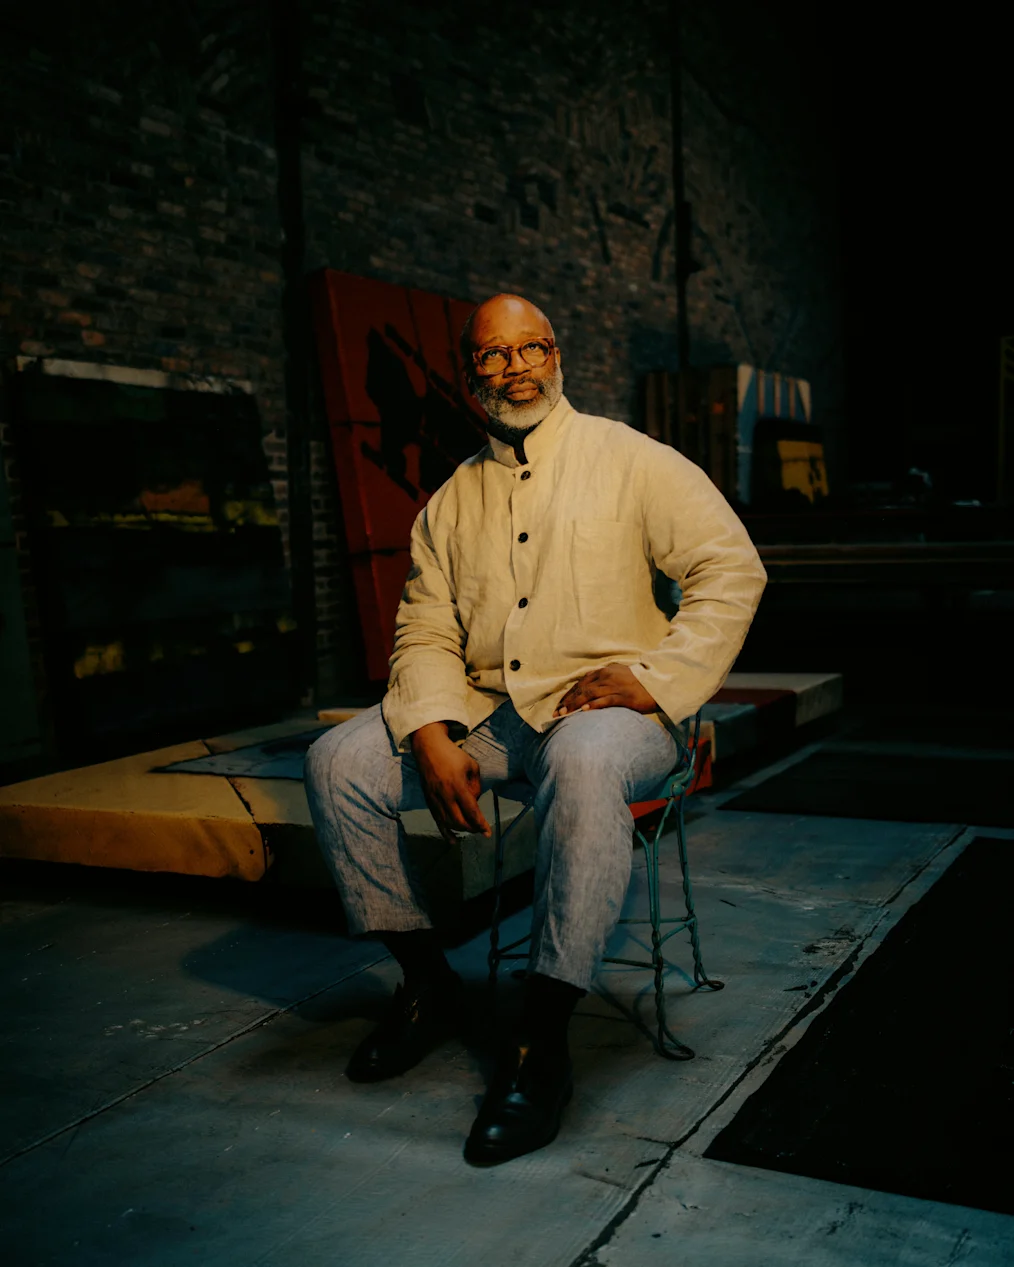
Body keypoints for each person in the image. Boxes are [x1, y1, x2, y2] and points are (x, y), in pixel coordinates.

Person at [305, 293, 767, 1166]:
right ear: (469, 374)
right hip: (484, 714)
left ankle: (541, 1038)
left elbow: (729, 566)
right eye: (492, 355)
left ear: (557, 356)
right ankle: (428, 984)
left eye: (530, 348)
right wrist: (433, 730)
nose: (513, 367)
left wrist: (658, 677)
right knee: (337, 760)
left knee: (586, 760)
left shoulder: (631, 459)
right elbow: (425, 629)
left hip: (609, 715)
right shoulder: (447, 502)